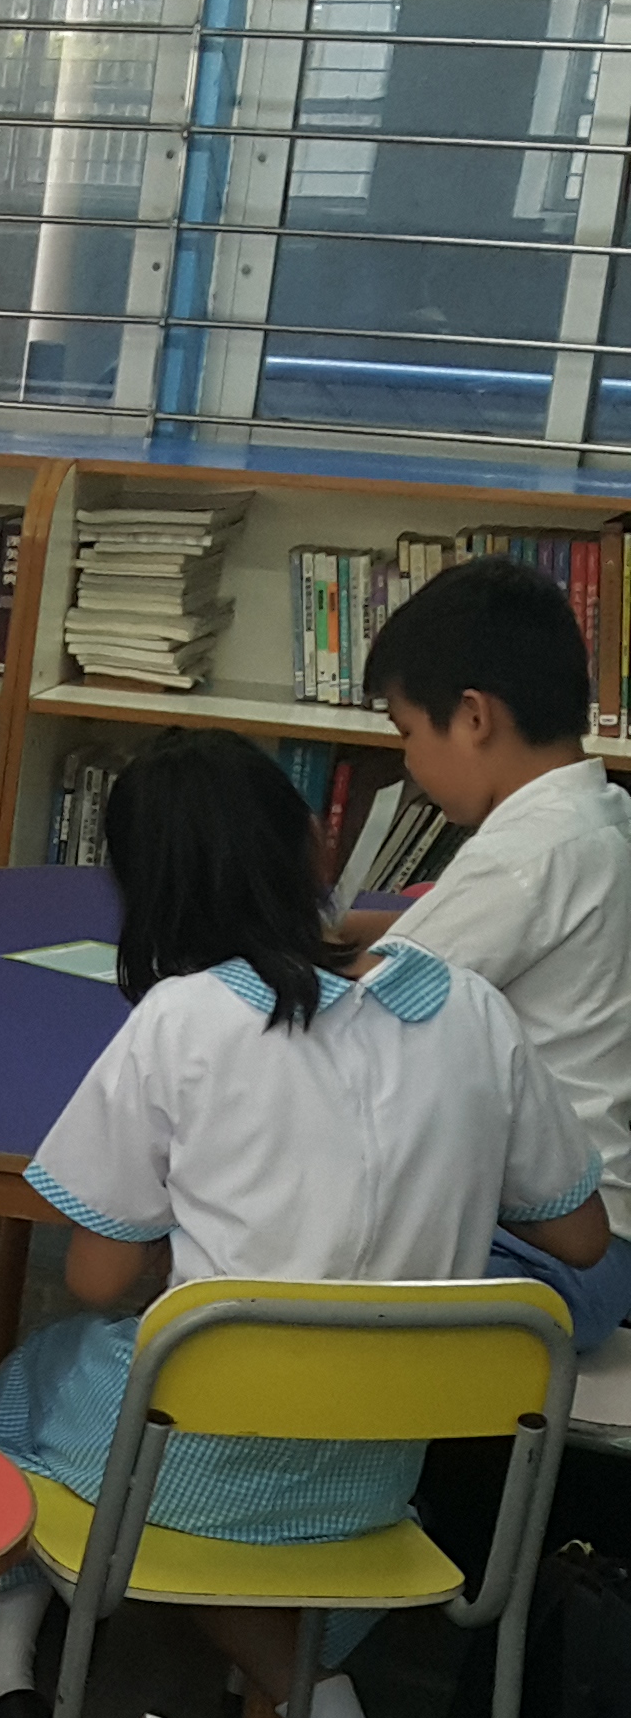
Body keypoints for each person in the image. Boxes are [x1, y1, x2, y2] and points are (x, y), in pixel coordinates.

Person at [0, 727, 609, 1718]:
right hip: (379, 1478)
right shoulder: (471, 1010)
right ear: (316, 844)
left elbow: (100, 1276)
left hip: (196, 1467)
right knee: (226, 1455)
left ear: (143, 892)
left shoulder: (182, 1021)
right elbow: (581, 1237)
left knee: (28, 1381)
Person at [350, 554, 631, 1351]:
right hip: (598, 1238)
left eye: (407, 733)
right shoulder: (599, 817)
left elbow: (365, 1013)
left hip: (536, 1261)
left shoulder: (520, 859)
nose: (408, 762)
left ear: (473, 716)